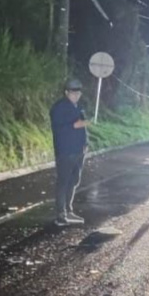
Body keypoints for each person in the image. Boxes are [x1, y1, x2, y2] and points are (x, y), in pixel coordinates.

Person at [49, 79, 90, 226]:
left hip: (79, 150)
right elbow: (58, 128)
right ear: (66, 92)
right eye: (73, 93)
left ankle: (69, 210)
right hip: (65, 150)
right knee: (63, 181)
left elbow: (83, 127)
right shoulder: (59, 107)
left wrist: (86, 143)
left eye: (78, 93)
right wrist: (75, 125)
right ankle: (61, 214)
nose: (76, 95)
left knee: (74, 180)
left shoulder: (78, 107)